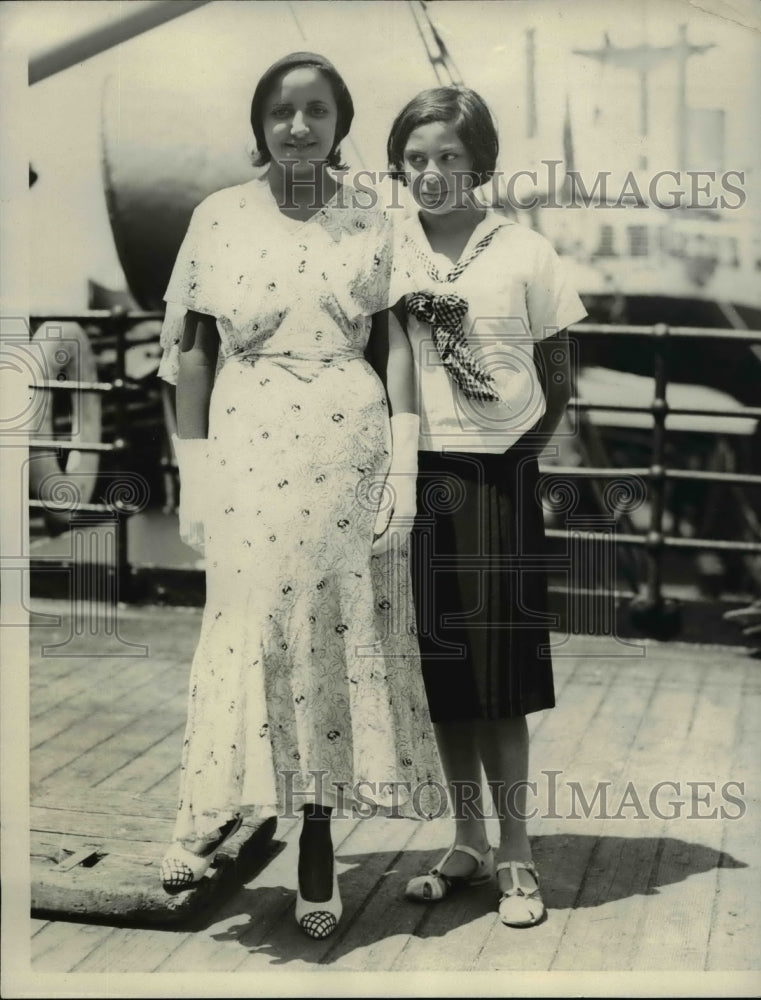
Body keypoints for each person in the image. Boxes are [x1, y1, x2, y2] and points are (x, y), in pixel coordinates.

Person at [156, 52, 440, 940]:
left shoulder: (374, 216)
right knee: (244, 623)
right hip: (246, 439)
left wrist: (402, 465)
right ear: (259, 124)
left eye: (316, 111)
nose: (298, 127)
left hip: (344, 443)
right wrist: (193, 479)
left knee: (331, 628)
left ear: (340, 121)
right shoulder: (218, 217)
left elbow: (394, 347)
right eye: (281, 112)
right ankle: (205, 810)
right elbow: (193, 353)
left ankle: (318, 838)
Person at [386, 86, 587, 927]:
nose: (431, 174)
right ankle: (465, 840)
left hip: (496, 480)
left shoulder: (525, 252)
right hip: (413, 478)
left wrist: (514, 461)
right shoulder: (385, 248)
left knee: (502, 684)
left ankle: (516, 853)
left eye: (448, 158)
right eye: (415, 159)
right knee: (445, 682)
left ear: (479, 163)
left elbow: (558, 378)